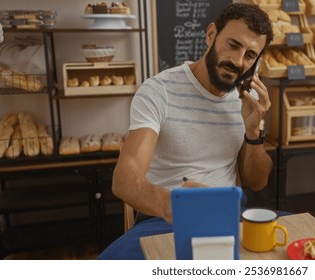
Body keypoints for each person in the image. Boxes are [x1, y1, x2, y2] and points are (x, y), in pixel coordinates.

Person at [97, 3, 274, 259]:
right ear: (211, 34)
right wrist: (173, 204)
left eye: (250, 55)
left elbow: (257, 182)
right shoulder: (159, 91)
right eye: (233, 45)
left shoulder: (249, 99)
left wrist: (253, 130)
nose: (238, 61)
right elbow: (124, 178)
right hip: (164, 219)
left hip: (231, 216)